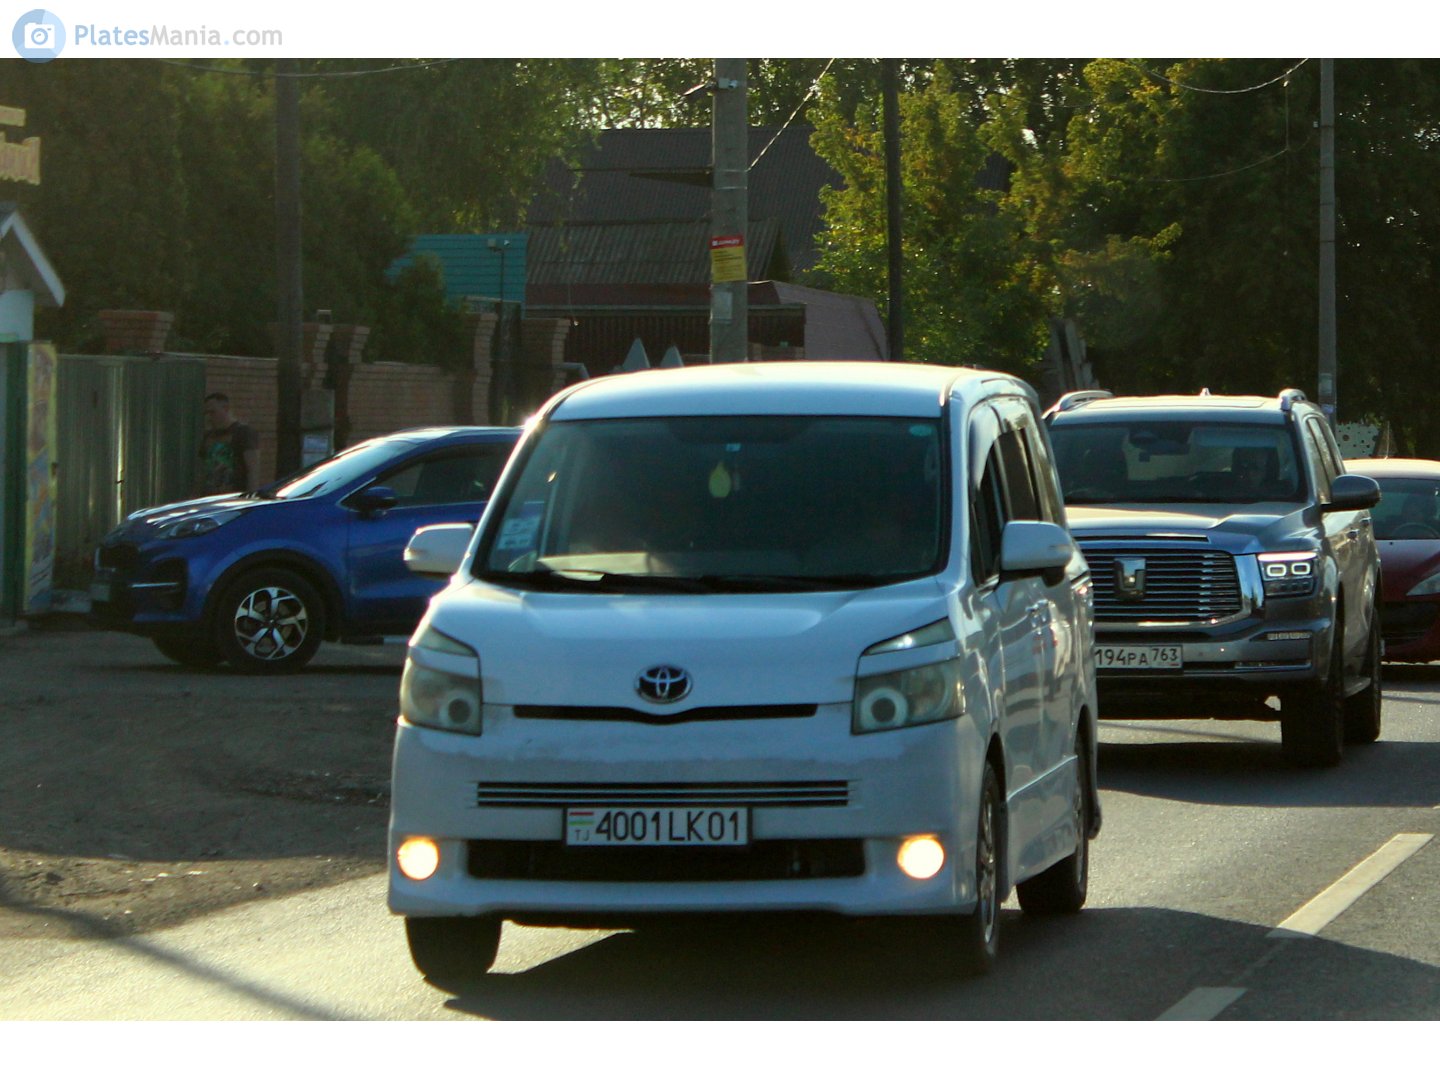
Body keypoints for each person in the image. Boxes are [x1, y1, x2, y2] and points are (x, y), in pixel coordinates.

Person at [197, 392, 259, 495]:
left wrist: (250, 497)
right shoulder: (208, 436)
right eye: (206, 413)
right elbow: (201, 471)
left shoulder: (243, 432)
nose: (209, 417)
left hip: (234, 496)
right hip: (209, 497)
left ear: (225, 408)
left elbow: (252, 470)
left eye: (212, 412)